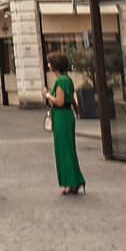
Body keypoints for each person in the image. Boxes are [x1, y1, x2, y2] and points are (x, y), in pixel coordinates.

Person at [45, 52, 85, 196]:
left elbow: (59, 101)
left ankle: (70, 182)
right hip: (67, 115)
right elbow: (72, 99)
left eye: (50, 63)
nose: (48, 65)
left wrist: (48, 95)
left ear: (55, 65)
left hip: (61, 116)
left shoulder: (60, 81)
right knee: (69, 148)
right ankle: (74, 180)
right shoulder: (67, 79)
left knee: (64, 151)